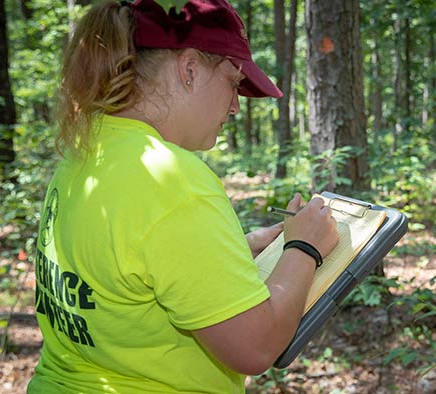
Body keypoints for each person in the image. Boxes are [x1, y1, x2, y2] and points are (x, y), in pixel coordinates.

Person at [27, 0, 339, 393]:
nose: (235, 105)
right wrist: (303, 248)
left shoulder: (86, 152)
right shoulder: (173, 179)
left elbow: (122, 272)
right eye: (232, 81)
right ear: (189, 69)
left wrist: (238, 250)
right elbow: (256, 348)